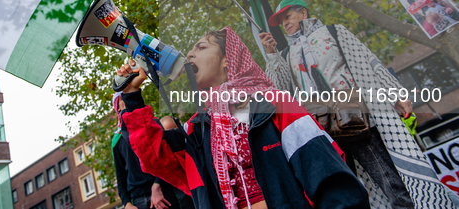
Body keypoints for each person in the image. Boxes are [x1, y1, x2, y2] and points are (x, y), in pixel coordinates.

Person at [117, 27, 370, 209]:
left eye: (201, 47)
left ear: (229, 61)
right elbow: (155, 158)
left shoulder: (275, 105)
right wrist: (132, 96)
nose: (189, 54)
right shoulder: (197, 129)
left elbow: (328, 177)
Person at [259, 0, 455, 208]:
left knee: (389, 180)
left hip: (354, 116)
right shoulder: (287, 54)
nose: (285, 24)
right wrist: (272, 55)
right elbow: (278, 90)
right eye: (281, 22)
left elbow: (368, 61)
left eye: (287, 16)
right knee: (346, 191)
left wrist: (396, 94)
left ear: (303, 13)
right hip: (321, 129)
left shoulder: (333, 32)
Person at [112, 93, 182, 209]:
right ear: (117, 107)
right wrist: (127, 203)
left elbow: (167, 155)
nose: (127, 97)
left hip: (163, 192)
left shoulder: (152, 124)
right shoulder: (117, 140)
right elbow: (121, 176)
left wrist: (157, 185)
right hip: (137, 200)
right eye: (122, 97)